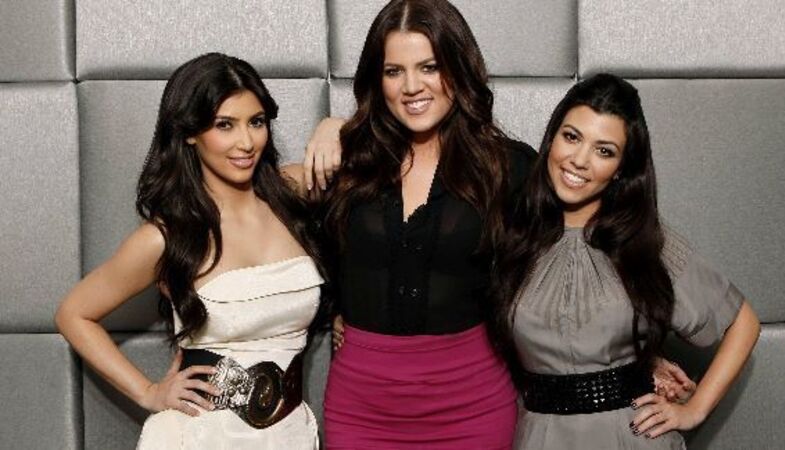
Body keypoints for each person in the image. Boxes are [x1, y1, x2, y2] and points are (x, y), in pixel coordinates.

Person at [55, 53, 327, 449]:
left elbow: (382, 167)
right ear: (189, 133)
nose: (246, 142)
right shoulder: (167, 236)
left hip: (290, 433)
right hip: (201, 435)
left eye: (256, 122)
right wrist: (148, 391)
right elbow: (73, 313)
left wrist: (334, 128)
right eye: (224, 125)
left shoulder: (293, 192)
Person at [491, 73, 760, 449]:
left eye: (604, 151)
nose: (579, 160)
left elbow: (742, 323)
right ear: (552, 138)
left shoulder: (643, 241)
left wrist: (694, 410)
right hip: (540, 436)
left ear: (620, 168)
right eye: (572, 137)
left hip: (629, 437)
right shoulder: (514, 235)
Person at [312, 0, 537, 448]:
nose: (411, 86)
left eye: (429, 67)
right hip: (362, 409)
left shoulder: (508, 167)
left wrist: (639, 355)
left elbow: (593, 242)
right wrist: (332, 127)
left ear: (459, 66)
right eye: (394, 71)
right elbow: (253, 200)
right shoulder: (348, 162)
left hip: (472, 405)